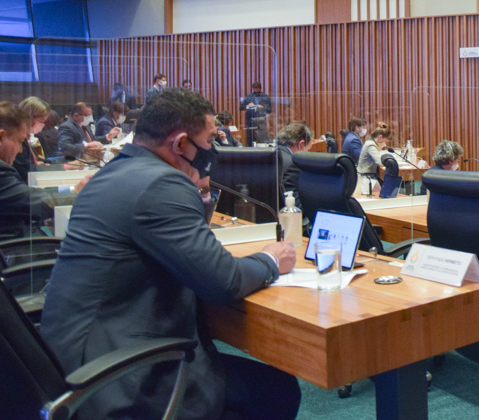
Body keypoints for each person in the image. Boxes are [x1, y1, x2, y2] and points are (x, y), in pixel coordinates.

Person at [40, 88, 299, 419]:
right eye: (208, 141)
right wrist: (271, 259)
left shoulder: (113, 173)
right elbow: (224, 281)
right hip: (118, 379)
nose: (212, 150)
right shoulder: (162, 183)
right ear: (180, 144)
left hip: (72, 363)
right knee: (277, 390)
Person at [0, 102, 84, 238]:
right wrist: (87, 196)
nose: (20, 150)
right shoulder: (2, 171)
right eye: (19, 141)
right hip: (16, 243)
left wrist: (72, 190)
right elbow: (38, 203)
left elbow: (27, 195)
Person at [13, 96, 51, 181]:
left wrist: (36, 165)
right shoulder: (17, 139)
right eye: (41, 121)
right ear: (29, 118)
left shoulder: (26, 137)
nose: (43, 125)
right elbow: (23, 169)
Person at [275, 120, 314, 203]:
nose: (307, 152)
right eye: (308, 149)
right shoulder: (292, 165)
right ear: (301, 144)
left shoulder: (271, 155)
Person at [357, 122, 392, 194]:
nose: (386, 143)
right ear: (380, 137)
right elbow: (380, 162)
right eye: (386, 140)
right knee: (383, 193)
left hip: (369, 175)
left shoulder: (371, 142)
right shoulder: (371, 145)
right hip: (366, 177)